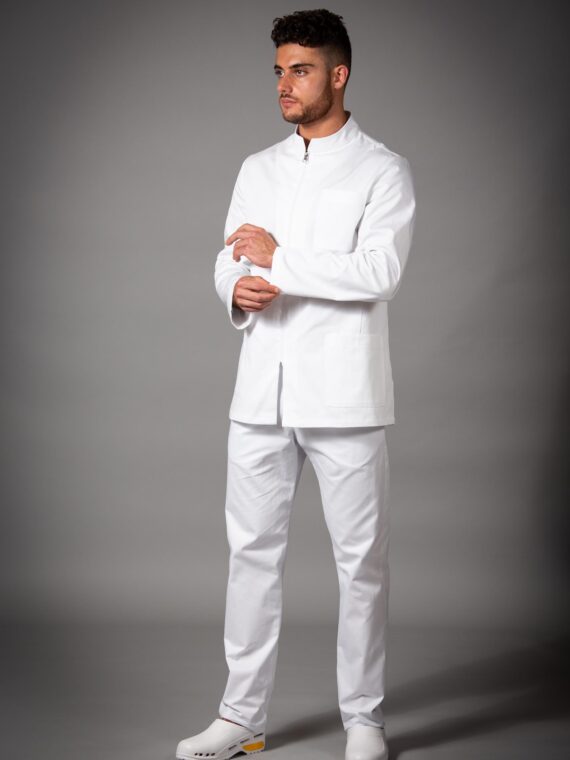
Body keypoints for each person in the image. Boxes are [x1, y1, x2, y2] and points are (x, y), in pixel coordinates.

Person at [176, 8, 416, 760]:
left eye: (301, 70)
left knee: (360, 566)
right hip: (260, 393)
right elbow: (229, 257)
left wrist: (278, 260)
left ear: (338, 75)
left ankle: (364, 720)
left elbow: (380, 272)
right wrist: (236, 288)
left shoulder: (383, 169)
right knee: (250, 556)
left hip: (345, 395)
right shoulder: (258, 168)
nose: (285, 83)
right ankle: (241, 717)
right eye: (279, 70)